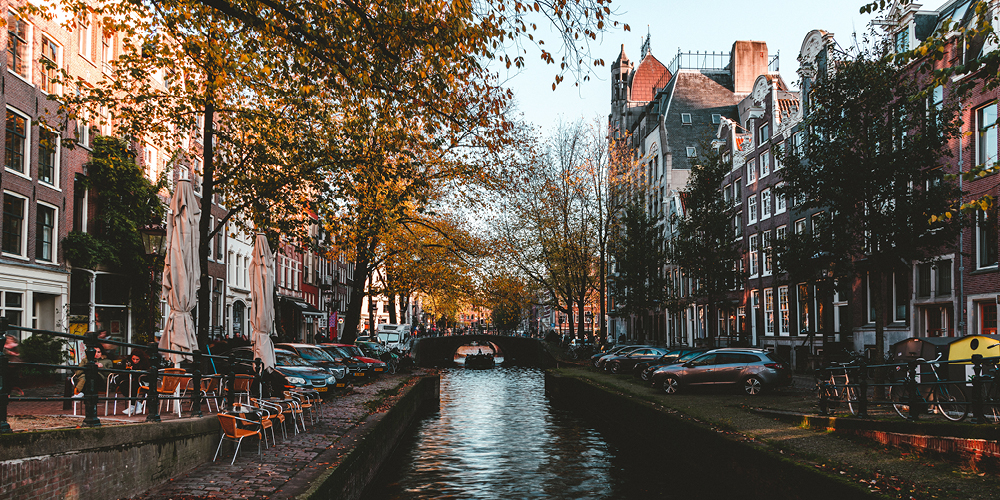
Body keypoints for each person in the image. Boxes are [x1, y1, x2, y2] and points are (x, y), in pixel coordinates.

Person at [114, 351, 150, 415]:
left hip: (141, 382)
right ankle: (136, 404)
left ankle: (134, 404)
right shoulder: (128, 363)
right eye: (133, 359)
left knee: (133, 385)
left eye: (137, 359)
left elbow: (145, 376)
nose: (135, 361)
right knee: (124, 384)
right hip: (129, 381)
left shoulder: (144, 364)